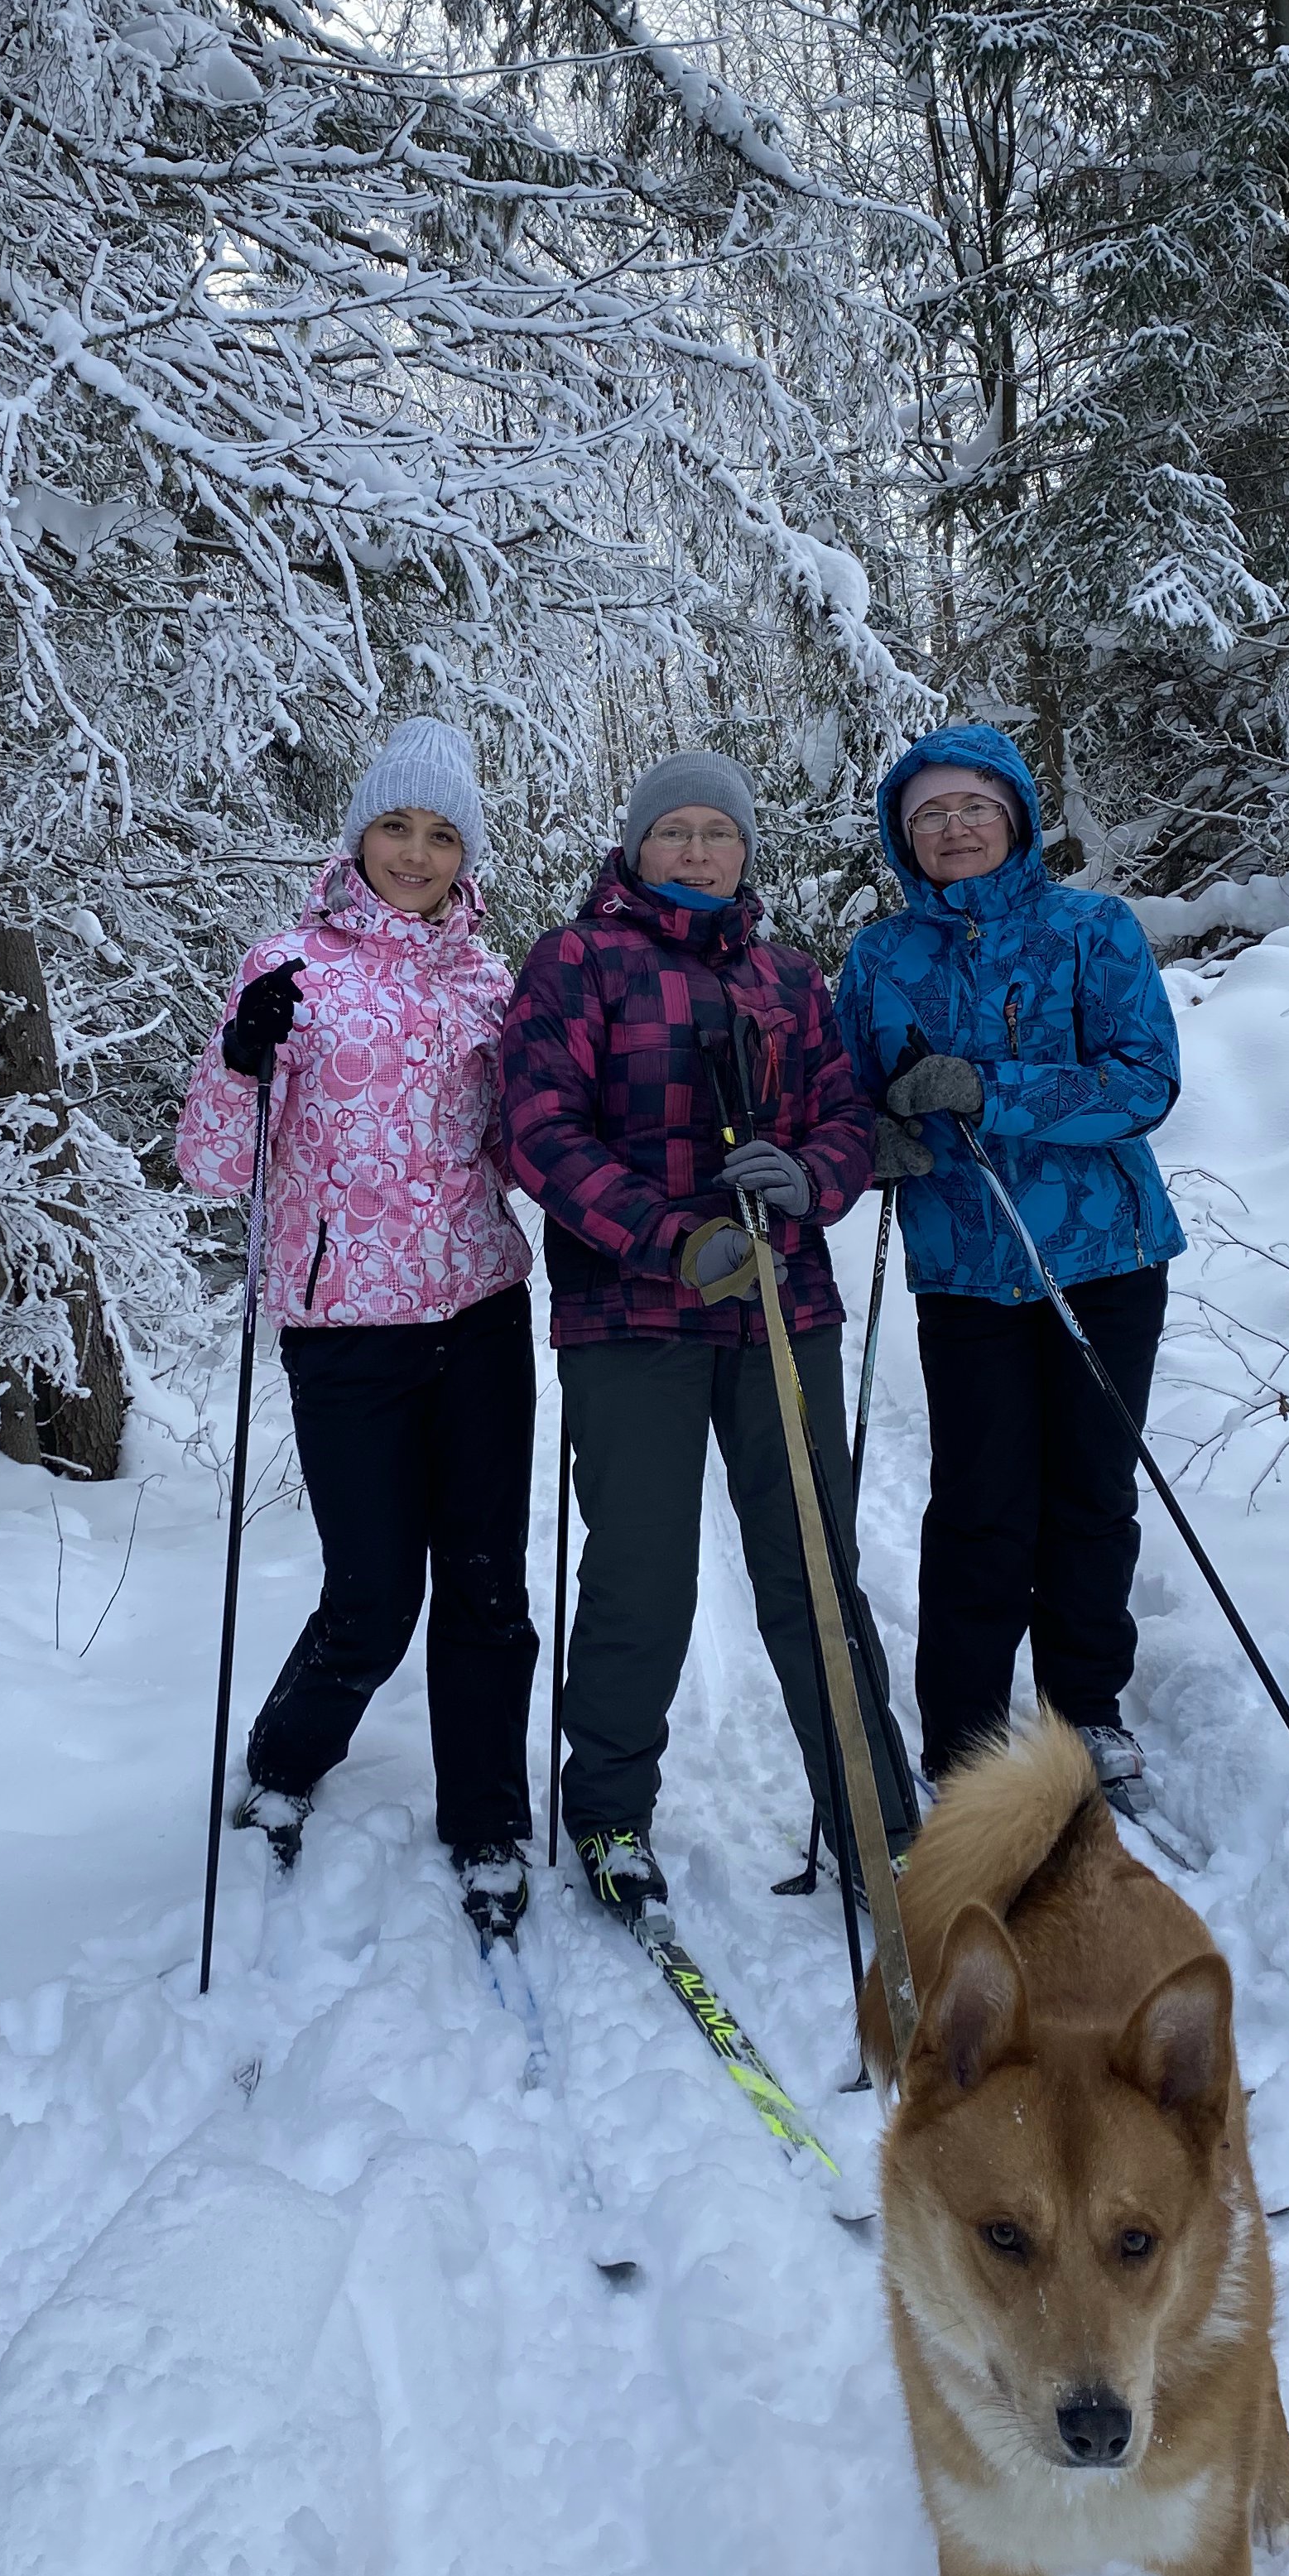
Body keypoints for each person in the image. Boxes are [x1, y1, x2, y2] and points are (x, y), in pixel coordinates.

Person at [499, 747, 920, 1928]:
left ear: (745, 853)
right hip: (632, 1316)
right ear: (637, 846)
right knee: (643, 1572)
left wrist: (812, 1175)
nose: (695, 851)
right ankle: (610, 1814)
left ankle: (875, 1820)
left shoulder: (789, 976)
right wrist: (669, 1237)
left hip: (783, 1309)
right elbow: (538, 1130)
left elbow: (845, 1113)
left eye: (716, 834)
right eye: (674, 832)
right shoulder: (577, 961)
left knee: (812, 1565)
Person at [175, 718, 539, 1938]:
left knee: (486, 1584)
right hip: (346, 1329)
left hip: (483, 1311)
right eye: (398, 826)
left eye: (442, 835)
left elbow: (521, 1150)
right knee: (375, 1588)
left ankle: (487, 1817)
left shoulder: (491, 981)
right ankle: (283, 1762)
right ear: (358, 833)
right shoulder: (287, 967)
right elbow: (212, 1169)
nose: (418, 855)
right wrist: (239, 1061)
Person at [834, 725, 1185, 1814]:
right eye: (927, 816)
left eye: (971, 808)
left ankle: (1086, 1711)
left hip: (1103, 1254)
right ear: (904, 838)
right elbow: (852, 1092)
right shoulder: (881, 958)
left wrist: (988, 1090)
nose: (951, 828)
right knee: (982, 1504)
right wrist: (874, 1138)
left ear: (1017, 816)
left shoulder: (1094, 929)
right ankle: (968, 1737)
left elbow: (1144, 1083)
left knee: (1090, 1491)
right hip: (965, 1263)